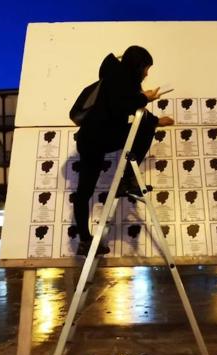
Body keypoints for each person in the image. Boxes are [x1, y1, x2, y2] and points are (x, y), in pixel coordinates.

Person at [73, 45, 174, 256]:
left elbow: (128, 107)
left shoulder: (119, 78)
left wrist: (153, 115)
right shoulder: (118, 79)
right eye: (146, 68)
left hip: (96, 138)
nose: (147, 73)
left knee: (84, 191)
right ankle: (127, 178)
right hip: (95, 139)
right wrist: (146, 99)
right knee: (84, 191)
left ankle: (85, 239)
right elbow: (121, 107)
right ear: (137, 66)